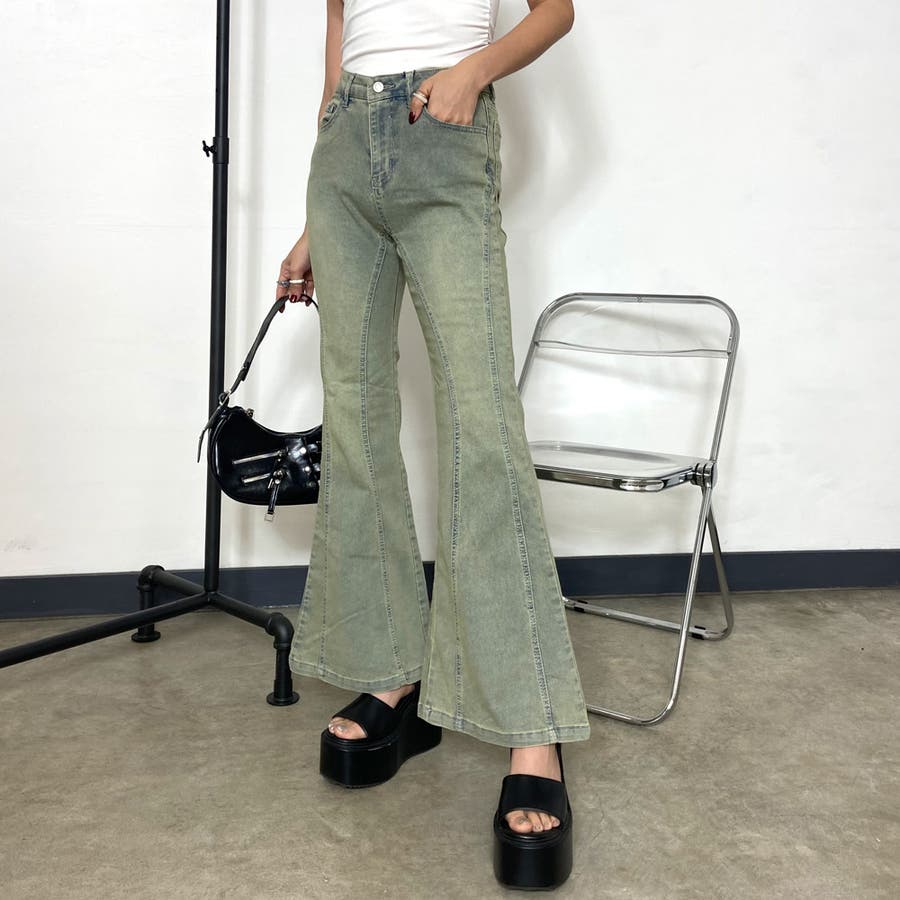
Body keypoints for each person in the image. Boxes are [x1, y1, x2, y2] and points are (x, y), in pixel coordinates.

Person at [278, 0, 589, 889]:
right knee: (356, 420)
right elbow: (339, 42)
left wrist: (473, 73)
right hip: (344, 152)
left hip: (442, 128)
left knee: (482, 426)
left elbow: (557, 11)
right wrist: (314, 216)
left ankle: (532, 731)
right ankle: (394, 677)